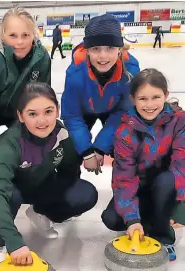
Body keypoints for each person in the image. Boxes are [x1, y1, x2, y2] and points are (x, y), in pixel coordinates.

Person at [0, 82, 98, 266]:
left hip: (35, 181)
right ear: (21, 116)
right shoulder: (10, 143)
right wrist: (13, 241)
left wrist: (56, 204)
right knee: (10, 195)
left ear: (57, 110)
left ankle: (39, 212)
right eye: (32, 114)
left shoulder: (62, 134)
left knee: (84, 193)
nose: (42, 121)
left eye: (48, 111)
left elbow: (70, 170)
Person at [0, 7, 52, 232]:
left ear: (34, 34)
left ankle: (31, 202)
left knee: (27, 152)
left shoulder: (42, 57)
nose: (20, 41)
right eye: (12, 35)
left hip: (22, 112)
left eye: (25, 35)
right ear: (2, 35)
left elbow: (42, 94)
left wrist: (33, 125)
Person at [103, 68, 185, 262]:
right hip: (140, 188)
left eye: (156, 97)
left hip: (167, 186)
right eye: (142, 98)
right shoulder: (125, 132)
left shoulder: (182, 121)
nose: (150, 104)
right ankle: (146, 221)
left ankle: (164, 235)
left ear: (166, 95)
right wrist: (132, 219)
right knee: (112, 219)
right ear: (133, 98)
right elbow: (124, 179)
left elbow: (183, 161)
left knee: (165, 180)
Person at [61, 13, 140, 181]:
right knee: (68, 150)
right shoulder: (75, 73)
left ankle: (124, 190)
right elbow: (71, 115)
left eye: (109, 48)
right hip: (83, 111)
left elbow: (123, 112)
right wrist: (87, 151)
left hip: (113, 111)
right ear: (87, 49)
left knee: (127, 144)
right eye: (96, 49)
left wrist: (100, 147)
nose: (103, 56)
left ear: (119, 49)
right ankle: (68, 186)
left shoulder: (131, 71)